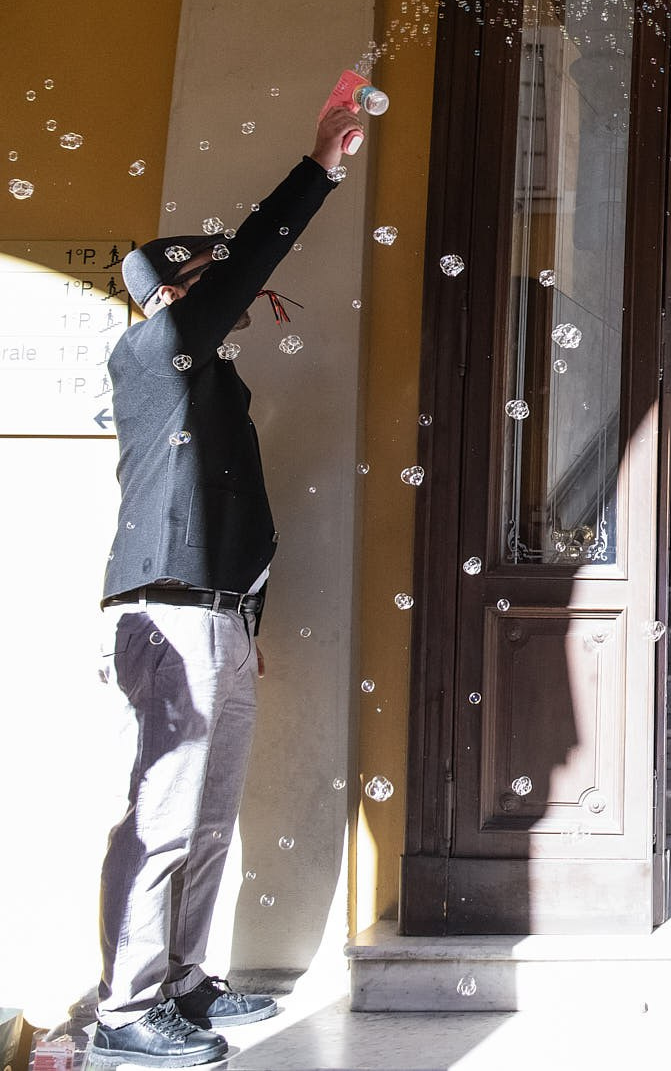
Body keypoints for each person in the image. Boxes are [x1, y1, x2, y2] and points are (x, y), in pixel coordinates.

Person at [91, 101, 360, 1070]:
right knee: (163, 814)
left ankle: (184, 982)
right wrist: (318, 169)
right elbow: (250, 258)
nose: (227, 288)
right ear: (170, 294)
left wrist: (248, 621)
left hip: (217, 619)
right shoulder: (152, 356)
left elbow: (232, 517)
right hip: (167, 618)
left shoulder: (208, 383)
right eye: (205, 278)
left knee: (207, 814)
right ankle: (126, 1012)